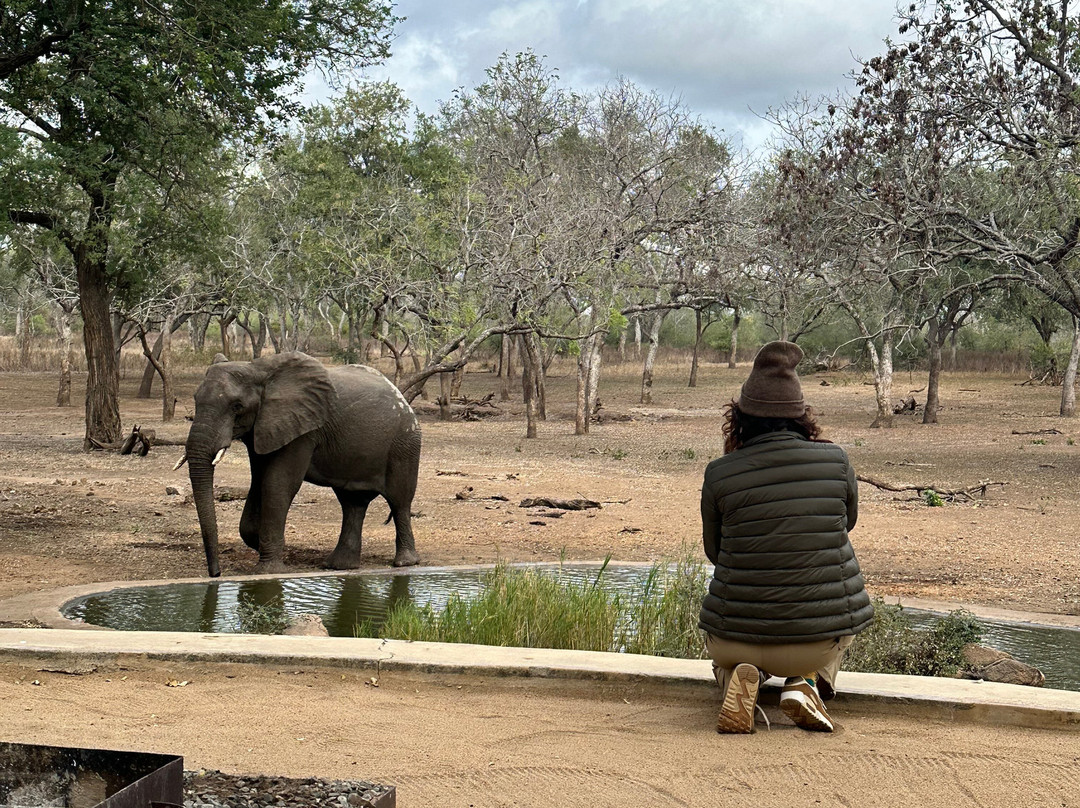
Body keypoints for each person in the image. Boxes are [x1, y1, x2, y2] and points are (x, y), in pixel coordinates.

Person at [699, 341, 873, 734]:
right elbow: (846, 524)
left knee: (727, 659)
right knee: (842, 618)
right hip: (813, 644)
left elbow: (715, 552)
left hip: (734, 640)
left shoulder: (719, 472)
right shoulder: (836, 461)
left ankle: (740, 679)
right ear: (801, 415)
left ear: (740, 417)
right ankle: (805, 682)